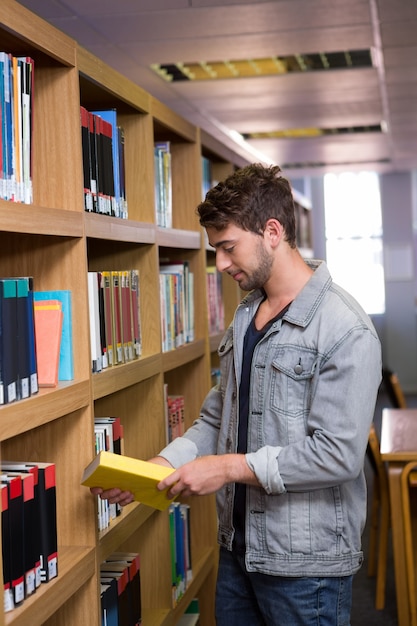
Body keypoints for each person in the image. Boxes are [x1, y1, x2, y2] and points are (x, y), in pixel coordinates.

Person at [91, 163, 382, 625]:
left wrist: (227, 467)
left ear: (272, 231)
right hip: (237, 552)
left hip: (306, 568)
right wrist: (161, 467)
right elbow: (217, 418)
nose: (221, 264)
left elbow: (337, 455)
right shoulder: (246, 316)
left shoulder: (346, 329)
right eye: (216, 250)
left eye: (228, 248)